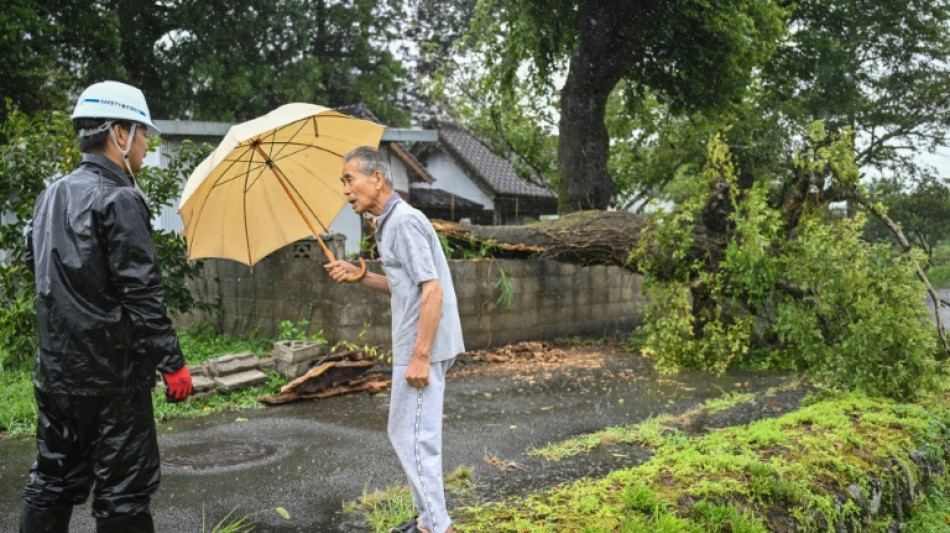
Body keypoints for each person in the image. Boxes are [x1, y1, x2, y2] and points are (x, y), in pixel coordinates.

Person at [20, 80, 193, 533]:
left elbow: (35, 266)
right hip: (113, 380)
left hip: (56, 373)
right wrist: (171, 362)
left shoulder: (49, 195)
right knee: (123, 494)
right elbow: (142, 292)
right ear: (119, 133)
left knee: (51, 481)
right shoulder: (120, 197)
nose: (146, 142)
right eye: (142, 132)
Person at [325, 146, 464, 533]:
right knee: (407, 433)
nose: (346, 191)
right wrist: (360, 275)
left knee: (413, 436)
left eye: (349, 179)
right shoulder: (388, 224)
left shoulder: (402, 222)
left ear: (378, 178)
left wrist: (420, 356)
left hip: (423, 345)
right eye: (343, 182)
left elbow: (432, 291)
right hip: (417, 342)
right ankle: (428, 520)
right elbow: (407, 287)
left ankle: (438, 526)